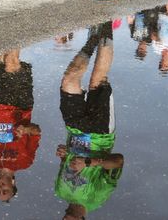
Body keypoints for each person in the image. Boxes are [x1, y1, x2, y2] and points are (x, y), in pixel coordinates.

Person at [55, 21, 124, 219]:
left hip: (74, 130)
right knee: (98, 81)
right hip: (100, 134)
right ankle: (107, 23)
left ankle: (93, 40)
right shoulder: (96, 200)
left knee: (69, 79)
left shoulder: (60, 191)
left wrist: (63, 153)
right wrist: (89, 162)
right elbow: (118, 162)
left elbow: (67, 162)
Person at [0, 49, 41, 202]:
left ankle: (5, 28)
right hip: (19, 105)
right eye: (4, 190)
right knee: (12, 63)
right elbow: (37, 131)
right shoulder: (25, 162)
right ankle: (15, 27)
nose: (0, 187)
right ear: (13, 183)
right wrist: (25, 129)